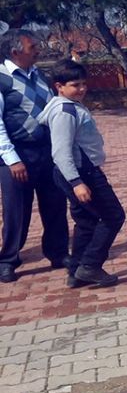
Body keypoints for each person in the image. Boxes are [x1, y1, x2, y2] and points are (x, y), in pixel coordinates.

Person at [39, 59, 125, 287]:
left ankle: (76, 271)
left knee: (86, 221)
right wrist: (77, 182)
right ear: (60, 86)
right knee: (113, 216)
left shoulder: (70, 105)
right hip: (80, 173)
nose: (82, 89)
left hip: (80, 171)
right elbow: (61, 151)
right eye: (75, 85)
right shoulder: (64, 111)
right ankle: (91, 265)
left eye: (84, 83)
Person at [0, 28, 69, 283]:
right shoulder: (2, 79)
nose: (38, 50)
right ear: (16, 51)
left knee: (55, 204)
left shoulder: (39, 75)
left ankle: (58, 253)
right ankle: (8, 260)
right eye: (33, 47)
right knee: (16, 210)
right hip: (17, 155)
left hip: (46, 151)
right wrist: (13, 159)